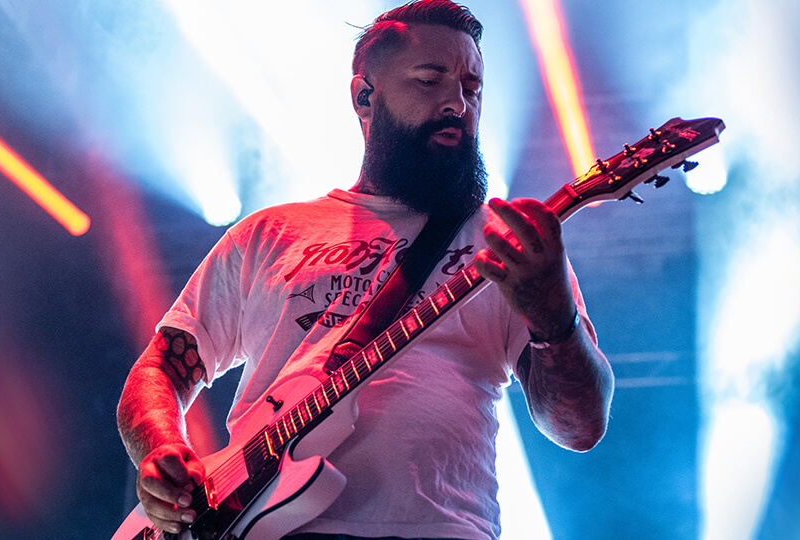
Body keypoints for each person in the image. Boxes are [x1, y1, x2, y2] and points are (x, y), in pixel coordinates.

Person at [116, 2, 613, 539]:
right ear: (364, 97)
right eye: (430, 80)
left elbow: (580, 427)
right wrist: (163, 449)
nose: (457, 103)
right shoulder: (267, 234)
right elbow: (160, 367)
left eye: (472, 87)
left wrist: (553, 316)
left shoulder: (506, 245)